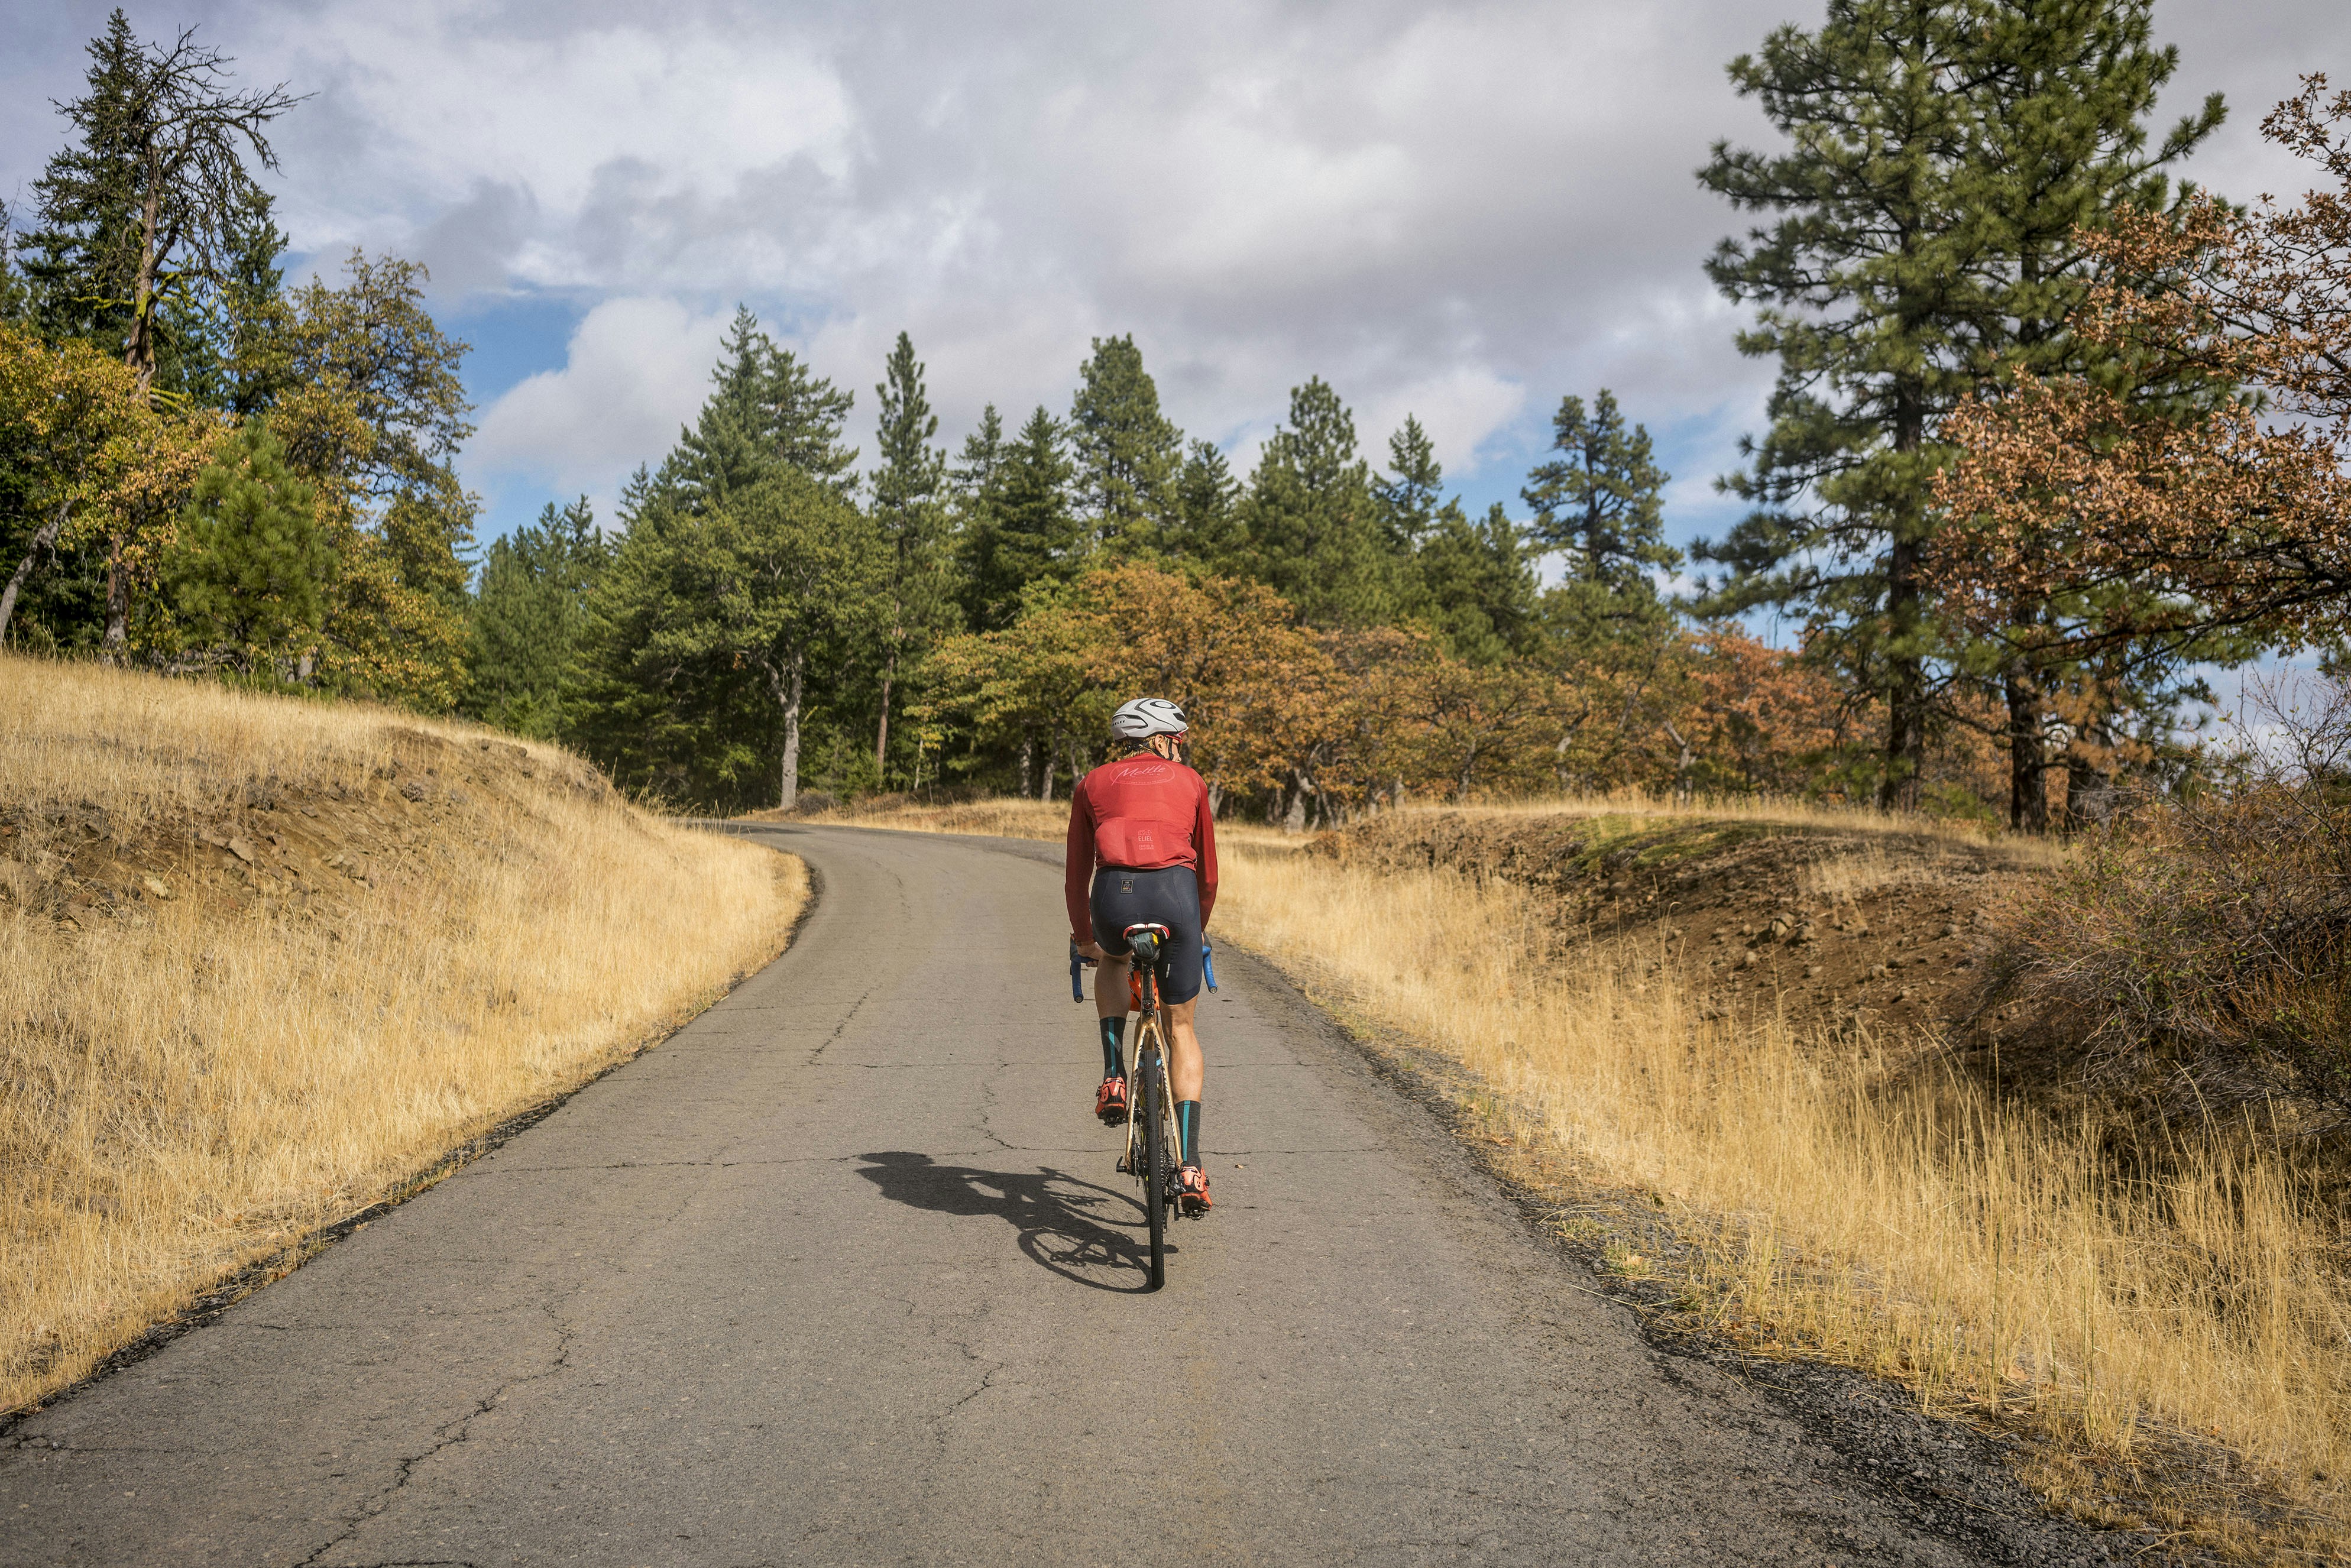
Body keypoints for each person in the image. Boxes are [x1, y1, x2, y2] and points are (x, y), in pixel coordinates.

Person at [1065, 695, 1219, 1213]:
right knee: (1181, 1030)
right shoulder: (1193, 781)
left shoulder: (1090, 783)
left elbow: (1075, 873)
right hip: (1178, 898)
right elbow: (1209, 874)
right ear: (1158, 739)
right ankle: (1192, 1167)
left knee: (1111, 961)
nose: (1179, 750)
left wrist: (1084, 936)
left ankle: (1114, 1075)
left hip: (1114, 896)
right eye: (1175, 741)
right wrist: (1196, 929)